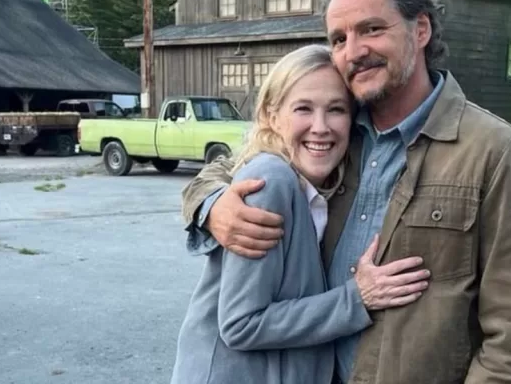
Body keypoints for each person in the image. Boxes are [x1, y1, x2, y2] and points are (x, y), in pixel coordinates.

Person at [181, 0, 511, 383]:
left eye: (372, 29)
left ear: (421, 29)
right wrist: (212, 205)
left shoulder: (495, 152)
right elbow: (232, 166)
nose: (354, 52)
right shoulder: (334, 137)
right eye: (339, 38)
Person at [171, 44, 431, 384]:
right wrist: (357, 299)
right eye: (303, 109)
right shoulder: (271, 180)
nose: (320, 127)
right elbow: (241, 325)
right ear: (271, 115)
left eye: (336, 109)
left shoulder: (324, 182)